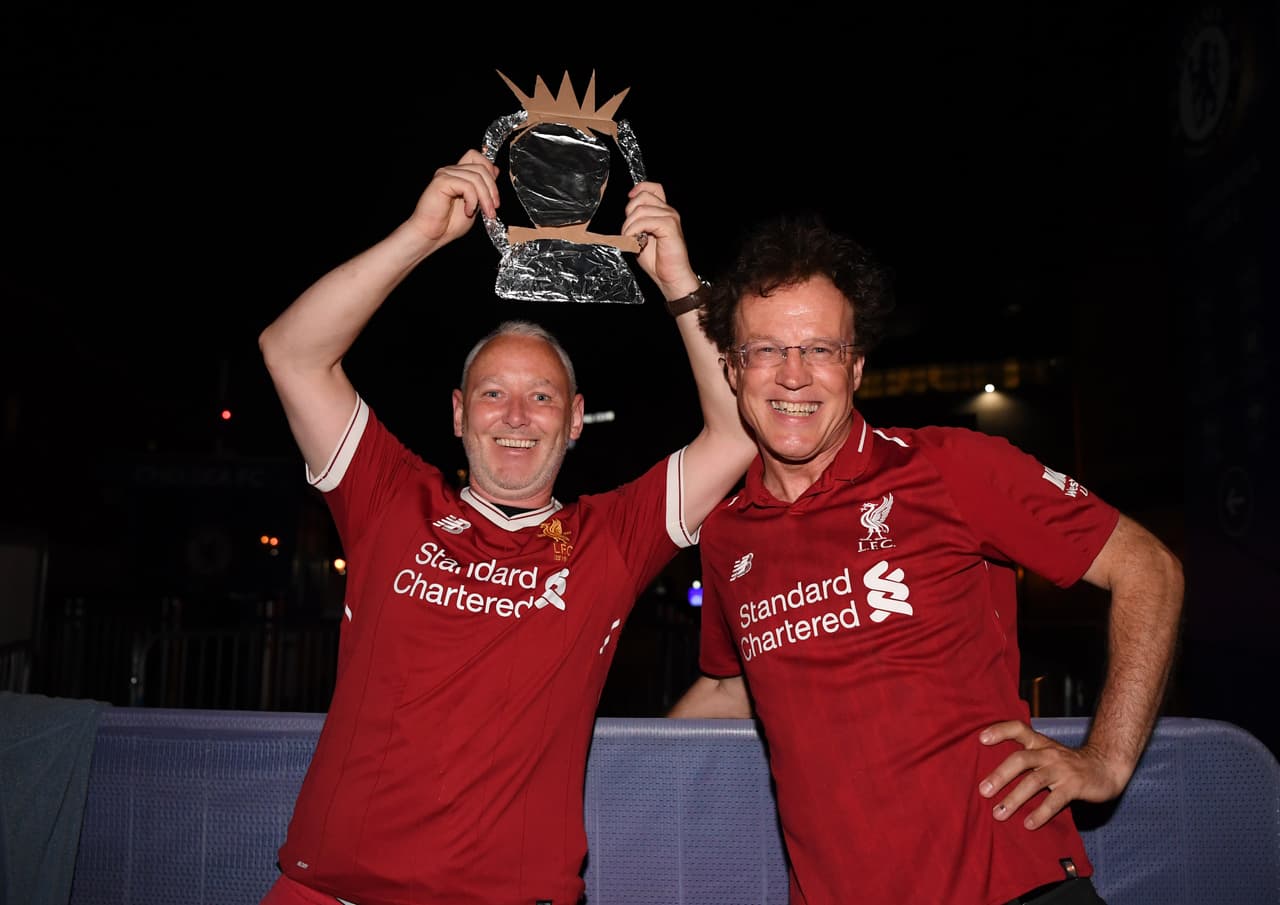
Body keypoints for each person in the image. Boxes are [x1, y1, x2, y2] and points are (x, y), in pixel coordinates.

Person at [256, 149, 754, 905]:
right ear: (459, 414)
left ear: (575, 419)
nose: (517, 416)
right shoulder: (388, 498)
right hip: (329, 894)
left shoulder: (612, 539)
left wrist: (679, 280)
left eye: (542, 397)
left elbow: (741, 431)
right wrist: (420, 235)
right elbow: (291, 353)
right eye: (493, 393)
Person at [667, 214, 1184, 905]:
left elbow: (1148, 567)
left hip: (1011, 886)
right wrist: (609, 766)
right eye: (766, 350)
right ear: (733, 369)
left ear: (855, 366)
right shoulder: (728, 534)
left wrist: (1107, 757)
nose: (794, 375)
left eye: (820, 348)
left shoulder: (951, 467)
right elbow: (732, 689)